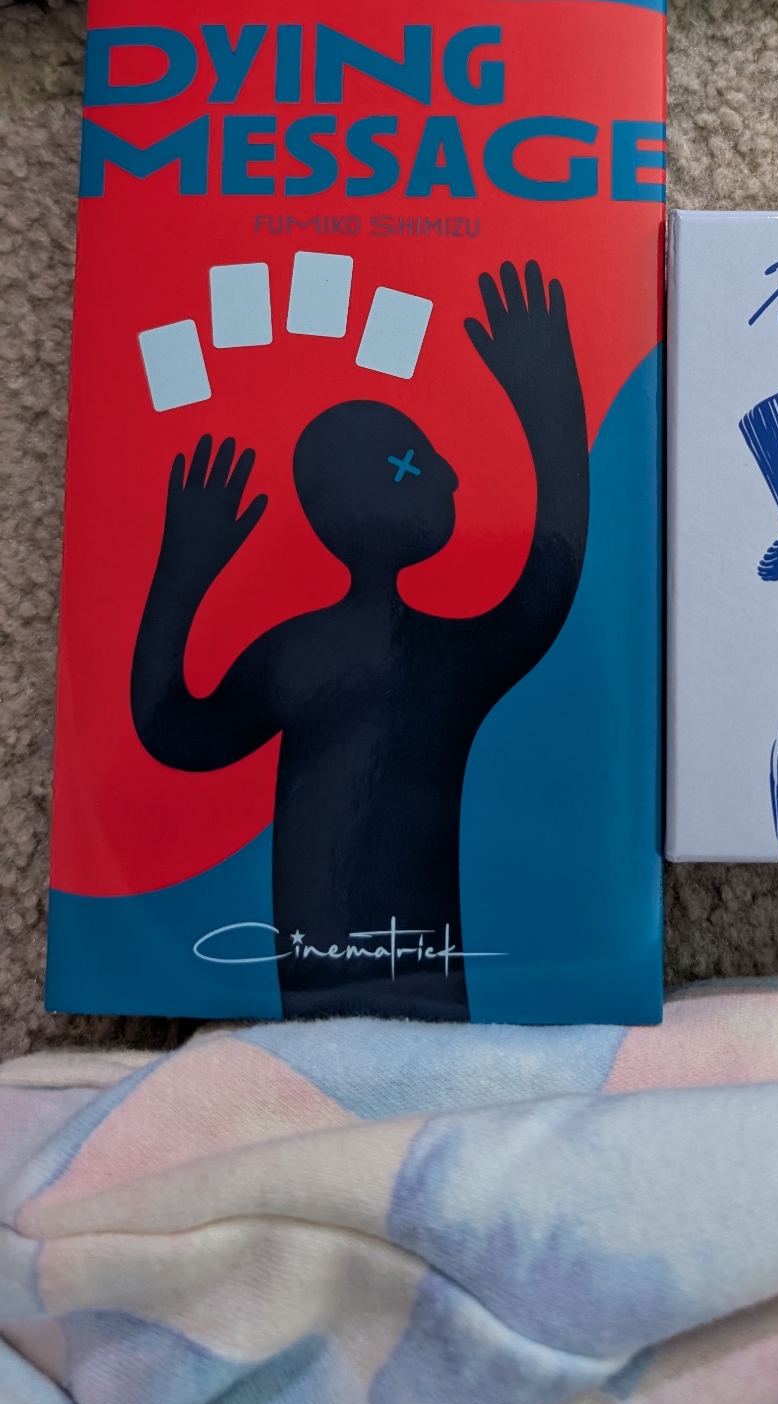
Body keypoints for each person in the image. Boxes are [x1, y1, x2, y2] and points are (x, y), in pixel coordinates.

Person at [131, 260, 590, 1018]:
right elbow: (548, 582)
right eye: (416, 462)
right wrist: (547, 405)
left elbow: (173, 727)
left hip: (330, 978)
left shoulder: (301, 652)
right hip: (409, 982)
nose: (448, 474)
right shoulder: (433, 657)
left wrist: (182, 572)